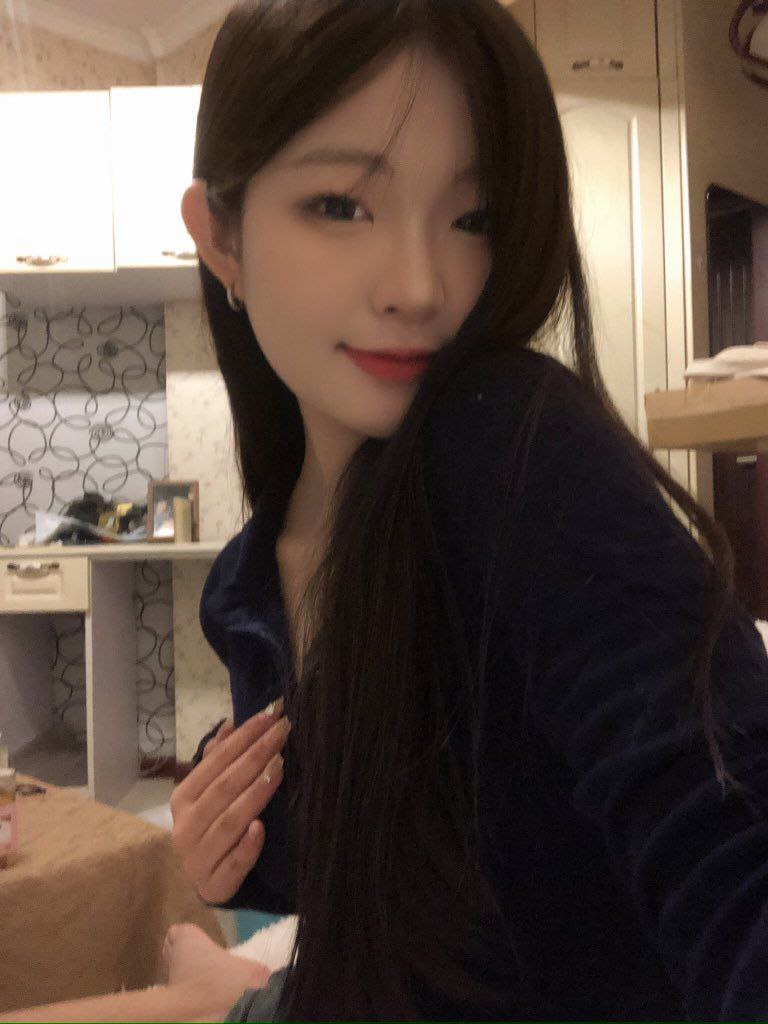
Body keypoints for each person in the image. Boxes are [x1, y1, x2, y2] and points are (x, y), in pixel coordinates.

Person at [7, 0, 768, 1020]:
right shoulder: (247, 584)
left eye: (474, 218)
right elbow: (399, 857)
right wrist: (240, 854)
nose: (420, 286)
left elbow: (726, 828)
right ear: (220, 236)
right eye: (341, 205)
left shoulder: (513, 444)